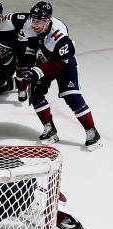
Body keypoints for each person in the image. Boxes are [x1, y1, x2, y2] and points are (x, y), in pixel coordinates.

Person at [17, 2, 102, 150]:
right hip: (44, 58)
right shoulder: (28, 24)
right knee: (36, 94)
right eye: (34, 20)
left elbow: (59, 62)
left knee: (72, 97)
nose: (35, 24)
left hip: (64, 63)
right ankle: (49, 129)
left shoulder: (59, 34)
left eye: (39, 21)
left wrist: (38, 71)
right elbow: (32, 45)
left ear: (48, 20)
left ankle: (92, 132)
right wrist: (28, 64)